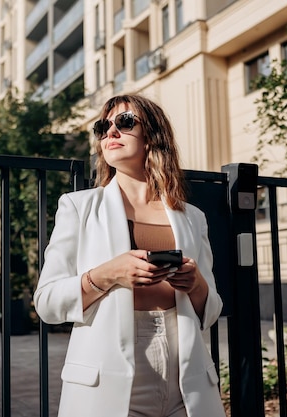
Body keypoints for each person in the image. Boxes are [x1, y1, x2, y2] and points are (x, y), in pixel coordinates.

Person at [34, 94, 226, 417]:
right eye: (102, 127)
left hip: (187, 377)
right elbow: (46, 301)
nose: (110, 132)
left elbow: (211, 310)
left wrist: (195, 284)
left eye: (124, 123)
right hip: (110, 381)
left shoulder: (192, 217)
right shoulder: (78, 207)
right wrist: (107, 274)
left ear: (152, 135)